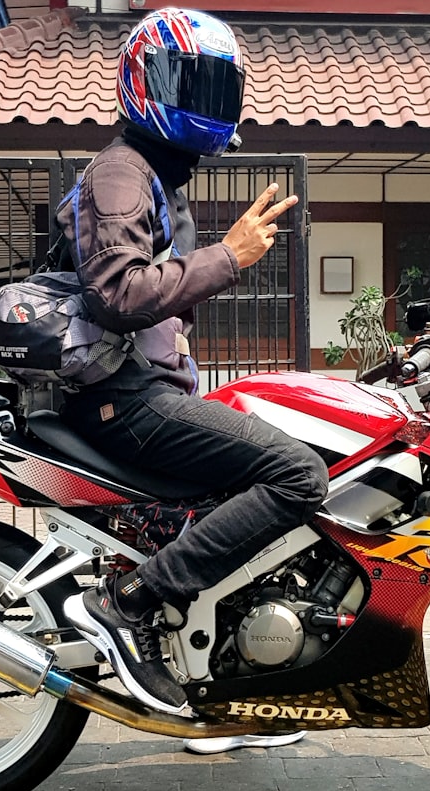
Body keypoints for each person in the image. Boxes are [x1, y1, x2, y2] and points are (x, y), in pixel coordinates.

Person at [60, 7, 329, 716]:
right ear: (143, 80)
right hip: (123, 400)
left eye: (216, 89)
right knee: (301, 474)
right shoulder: (120, 173)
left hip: (141, 390)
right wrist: (228, 256)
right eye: (189, 84)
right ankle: (132, 601)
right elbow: (118, 291)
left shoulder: (155, 175)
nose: (203, 104)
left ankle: (228, 684)